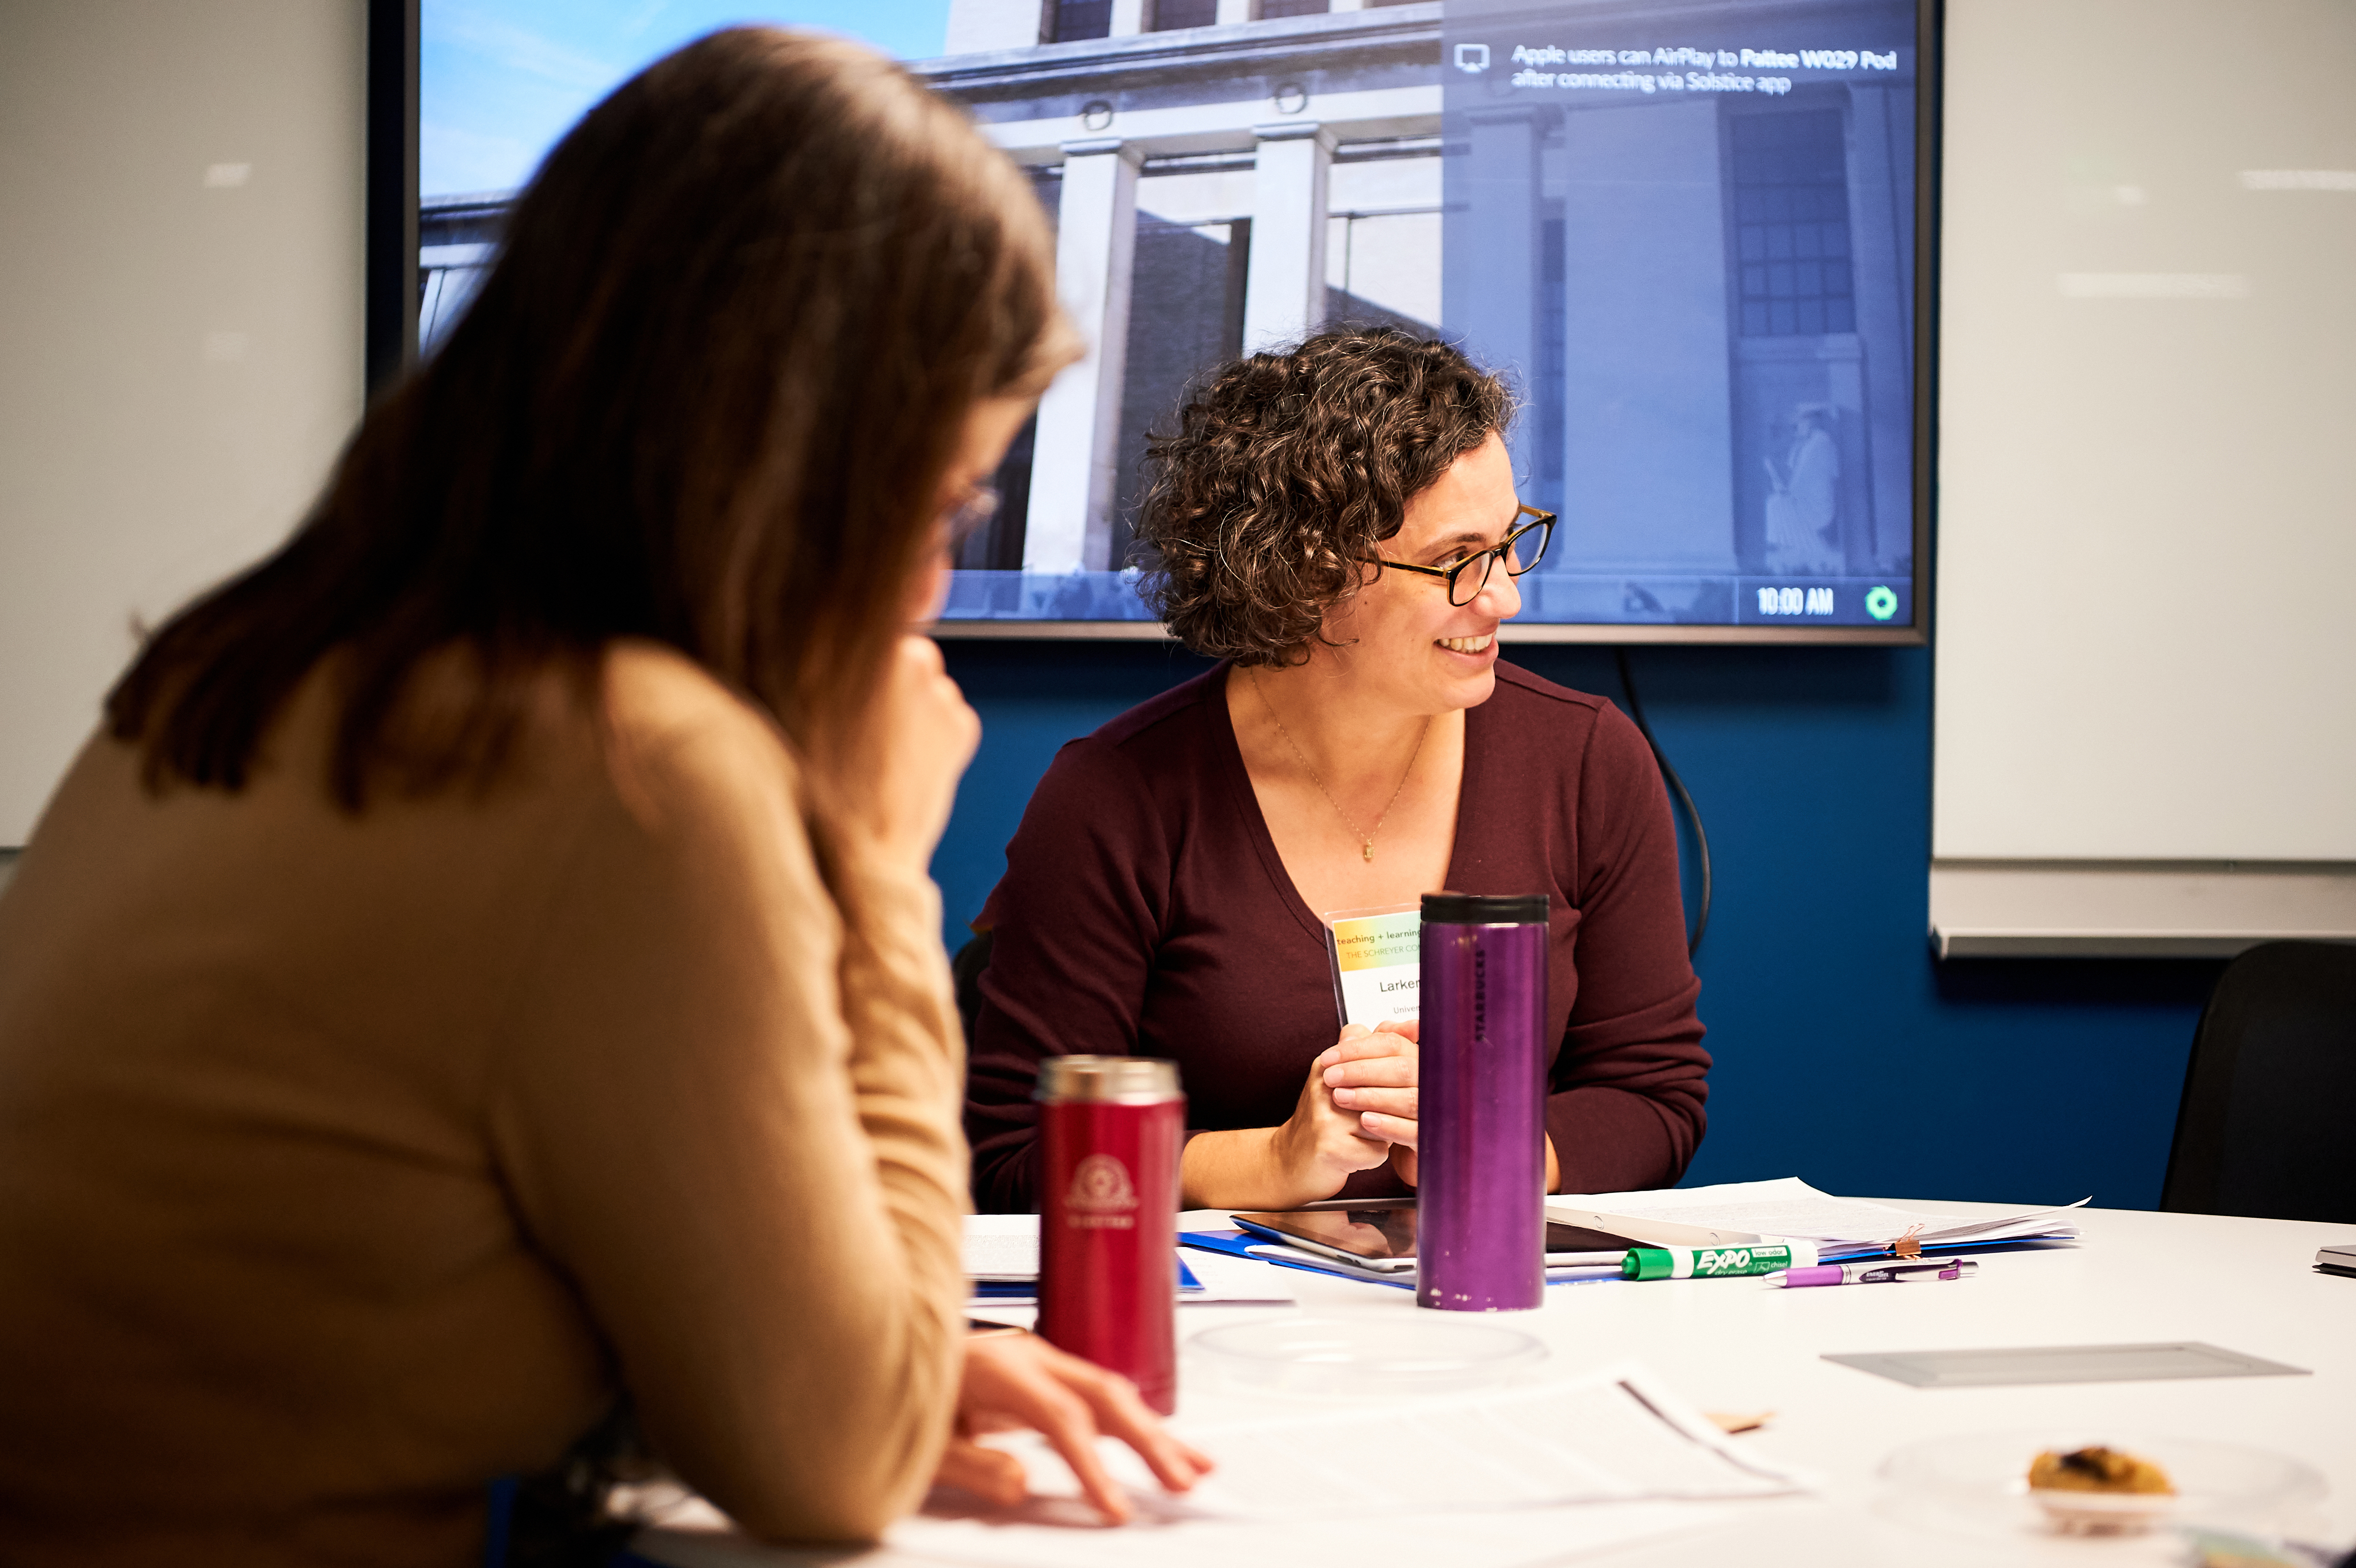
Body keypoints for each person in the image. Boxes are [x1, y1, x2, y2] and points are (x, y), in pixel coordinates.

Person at [0, 30, 1205, 1566]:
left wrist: (823, 1371)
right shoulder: (633, 767)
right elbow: (839, 1463)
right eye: (936, 499)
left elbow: (363, 1286)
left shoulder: (261, 660)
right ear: (791, 465)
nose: (937, 578)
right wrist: (884, 873)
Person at [965, 328, 1709, 1213]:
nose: (1506, 593)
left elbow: (1653, 1098)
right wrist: (1272, 1163)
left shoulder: (1586, 758)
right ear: (1307, 569)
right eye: (1455, 561)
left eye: (1511, 541)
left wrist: (1489, 1139)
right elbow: (1016, 1154)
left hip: (1501, 1312)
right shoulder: (1116, 797)